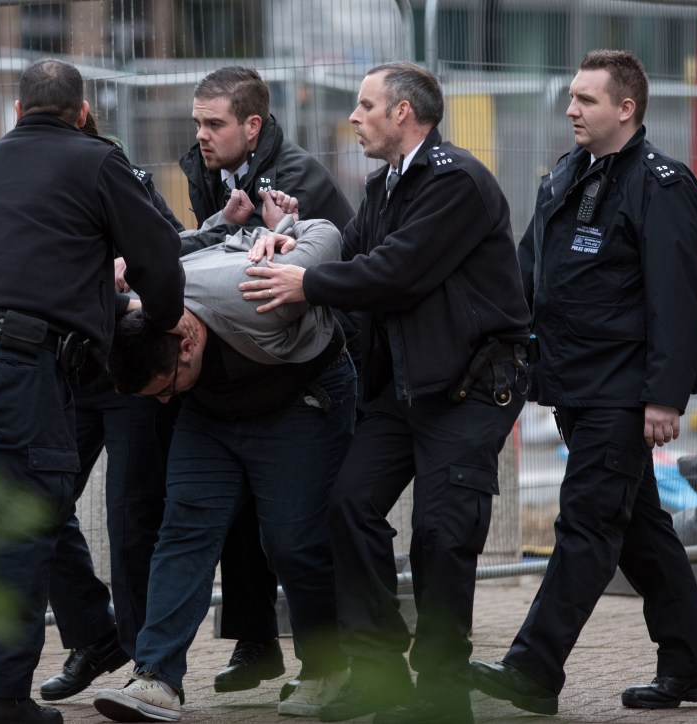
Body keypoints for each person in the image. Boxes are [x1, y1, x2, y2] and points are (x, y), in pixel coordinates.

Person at [239, 60, 531, 724]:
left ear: (404, 113)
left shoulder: (457, 182)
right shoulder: (386, 184)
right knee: (349, 505)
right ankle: (378, 675)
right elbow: (352, 255)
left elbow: (396, 272)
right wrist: (294, 238)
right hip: (402, 392)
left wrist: (304, 285)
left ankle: (439, 692)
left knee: (441, 533)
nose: (353, 117)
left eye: (365, 105)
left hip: (470, 388)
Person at [0, 58, 186, 724]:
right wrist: (161, 320)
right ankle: (1, 697)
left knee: (10, 514)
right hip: (17, 362)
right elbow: (158, 260)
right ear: (84, 112)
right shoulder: (96, 161)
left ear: (16, 111)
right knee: (25, 525)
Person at [468, 49, 697, 716]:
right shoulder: (567, 176)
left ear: (626, 108)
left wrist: (665, 396)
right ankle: (691, 666)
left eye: (586, 99)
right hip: (574, 385)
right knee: (637, 530)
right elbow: (530, 271)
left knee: (585, 524)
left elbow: (677, 297)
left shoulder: (661, 184)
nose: (572, 109)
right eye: (572, 98)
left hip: (623, 391)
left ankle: (533, 667)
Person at [92, 214, 357, 722]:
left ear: (186, 342)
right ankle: (156, 678)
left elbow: (328, 233)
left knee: (293, 541)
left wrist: (292, 236)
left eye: (167, 388)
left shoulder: (249, 293)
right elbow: (193, 244)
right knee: (184, 529)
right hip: (213, 415)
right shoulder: (141, 311)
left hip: (300, 400)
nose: (165, 403)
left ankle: (328, 668)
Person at [179, 64, 356, 696]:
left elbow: (299, 270)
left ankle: (329, 660)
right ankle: (257, 645)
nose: (200, 135)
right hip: (241, 366)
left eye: (213, 123)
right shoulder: (208, 170)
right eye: (196, 121)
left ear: (252, 127)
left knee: (294, 531)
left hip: (311, 364)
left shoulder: (298, 178)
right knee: (235, 517)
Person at [39, 115, 185, 704]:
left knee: (131, 527)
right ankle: (95, 637)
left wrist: (130, 288)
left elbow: (173, 251)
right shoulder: (35, 185)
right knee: (38, 507)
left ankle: (147, 668)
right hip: (71, 372)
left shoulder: (122, 174)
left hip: (126, 369)